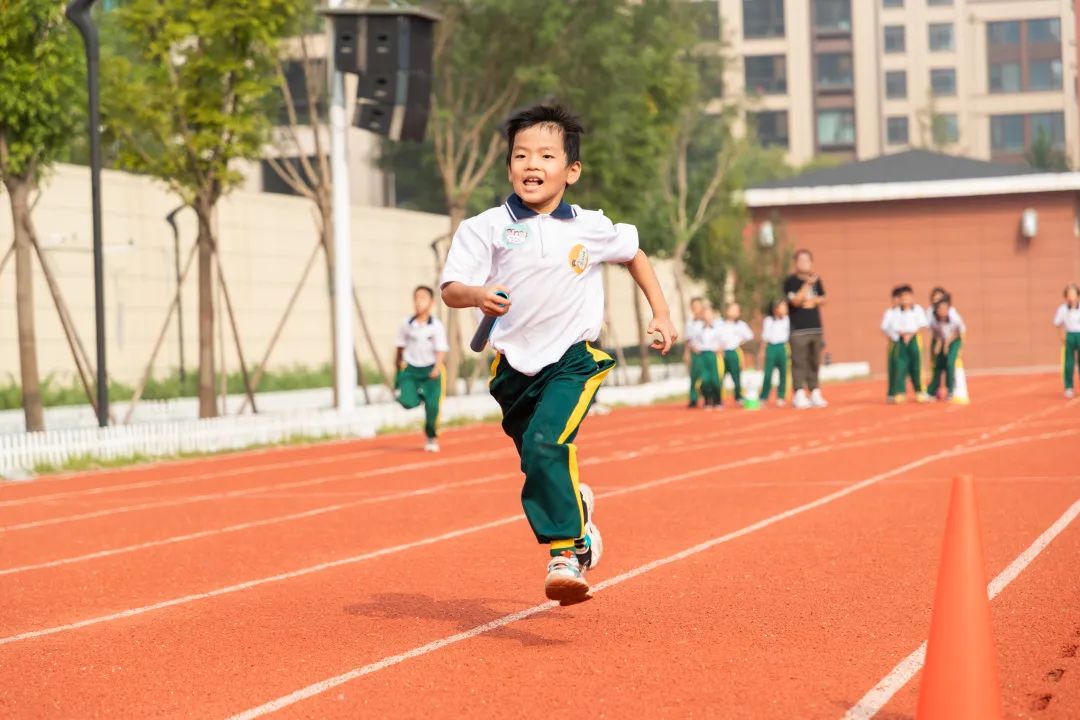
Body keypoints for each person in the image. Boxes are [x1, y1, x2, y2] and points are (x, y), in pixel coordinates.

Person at [440, 104, 676, 605]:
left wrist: (661, 313)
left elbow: (634, 255)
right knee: (537, 459)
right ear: (509, 165)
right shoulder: (486, 227)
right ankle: (581, 520)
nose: (532, 164)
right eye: (521, 155)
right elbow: (451, 289)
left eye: (546, 155)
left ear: (571, 170)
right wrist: (478, 294)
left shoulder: (590, 226)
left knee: (547, 444)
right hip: (513, 369)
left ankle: (565, 555)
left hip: (572, 360)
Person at [394, 286, 449, 452]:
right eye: (417, 298)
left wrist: (437, 367)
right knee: (406, 401)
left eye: (423, 298)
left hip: (431, 371)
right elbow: (400, 345)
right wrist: (398, 364)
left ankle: (431, 437)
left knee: (433, 408)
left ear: (431, 303)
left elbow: (441, 349)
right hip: (411, 369)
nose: (419, 302)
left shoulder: (436, 326)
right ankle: (419, 396)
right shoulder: (407, 324)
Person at [784, 249, 828, 409]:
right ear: (796, 263)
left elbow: (824, 298)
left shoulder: (817, 279)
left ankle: (814, 390)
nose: (804, 263)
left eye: (807, 260)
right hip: (798, 329)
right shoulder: (790, 281)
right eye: (801, 260)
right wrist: (807, 285)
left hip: (815, 327)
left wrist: (812, 300)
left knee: (814, 361)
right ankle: (799, 392)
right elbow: (795, 301)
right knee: (799, 362)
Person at [882, 285, 930, 403]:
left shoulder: (917, 309)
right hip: (900, 340)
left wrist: (911, 334)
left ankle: (920, 391)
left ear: (912, 297)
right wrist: (902, 334)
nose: (905, 300)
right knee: (900, 366)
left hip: (914, 339)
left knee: (917, 366)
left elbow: (923, 325)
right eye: (903, 298)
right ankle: (900, 392)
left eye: (907, 297)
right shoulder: (895, 312)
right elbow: (892, 327)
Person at [927, 296, 966, 401]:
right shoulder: (933, 320)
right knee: (938, 363)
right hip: (942, 339)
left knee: (949, 362)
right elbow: (935, 333)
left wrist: (947, 344)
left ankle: (950, 390)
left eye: (945, 308)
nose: (943, 311)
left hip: (955, 340)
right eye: (940, 309)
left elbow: (958, 332)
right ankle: (932, 391)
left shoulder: (954, 317)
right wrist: (939, 343)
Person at [720, 302, 754, 405]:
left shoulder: (741, 325)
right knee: (720, 375)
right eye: (732, 309)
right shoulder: (720, 323)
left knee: (736, 376)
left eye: (736, 310)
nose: (733, 312)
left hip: (734, 352)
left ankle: (738, 396)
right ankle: (718, 397)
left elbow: (749, 336)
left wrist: (738, 342)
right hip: (721, 353)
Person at [759, 299, 790, 407]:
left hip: (783, 347)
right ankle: (764, 396)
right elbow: (765, 337)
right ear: (776, 309)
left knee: (783, 373)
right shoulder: (768, 320)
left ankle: (781, 396)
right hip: (771, 347)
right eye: (782, 307)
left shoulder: (787, 320)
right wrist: (762, 351)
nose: (785, 309)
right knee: (768, 374)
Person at [691, 304, 724, 409]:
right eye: (705, 314)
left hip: (713, 355)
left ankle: (717, 400)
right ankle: (707, 400)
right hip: (702, 355)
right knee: (705, 380)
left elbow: (723, 341)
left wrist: (720, 348)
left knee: (715, 380)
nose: (707, 317)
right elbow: (693, 341)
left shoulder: (718, 327)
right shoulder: (697, 328)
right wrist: (694, 348)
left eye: (709, 314)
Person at [1054, 282, 1080, 399]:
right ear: (1066, 296)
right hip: (1070, 335)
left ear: (1078, 295)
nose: (1071, 296)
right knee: (1069, 363)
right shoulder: (1063, 309)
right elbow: (1057, 324)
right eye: (1069, 294)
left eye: (1073, 294)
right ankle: (1069, 387)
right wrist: (1062, 337)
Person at [684, 297, 706, 409]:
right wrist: (687, 353)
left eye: (698, 306)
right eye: (694, 307)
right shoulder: (690, 323)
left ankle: (708, 397)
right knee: (694, 377)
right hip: (695, 354)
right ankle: (693, 399)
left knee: (707, 377)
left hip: (707, 353)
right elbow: (688, 340)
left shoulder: (707, 321)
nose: (696, 309)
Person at [882, 287, 902, 401]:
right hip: (894, 342)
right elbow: (884, 327)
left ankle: (901, 391)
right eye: (895, 298)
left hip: (906, 342)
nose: (897, 301)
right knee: (893, 367)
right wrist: (890, 337)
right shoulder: (889, 312)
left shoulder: (905, 312)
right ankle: (892, 392)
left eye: (899, 298)